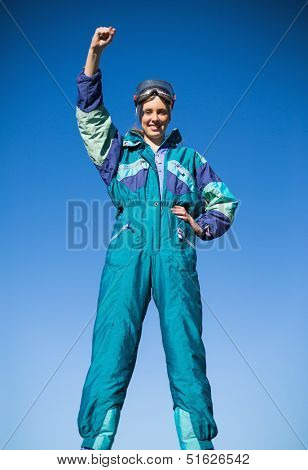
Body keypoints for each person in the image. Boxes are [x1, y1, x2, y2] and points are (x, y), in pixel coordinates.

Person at [75, 26, 239, 451]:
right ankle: (96, 444)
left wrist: (202, 227)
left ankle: (197, 447)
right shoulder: (117, 153)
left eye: (161, 111)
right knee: (112, 341)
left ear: (170, 112)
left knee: (185, 347)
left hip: (176, 255)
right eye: (147, 111)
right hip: (127, 252)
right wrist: (95, 53)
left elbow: (224, 201)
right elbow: (90, 112)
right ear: (138, 111)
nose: (154, 118)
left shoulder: (190, 158)